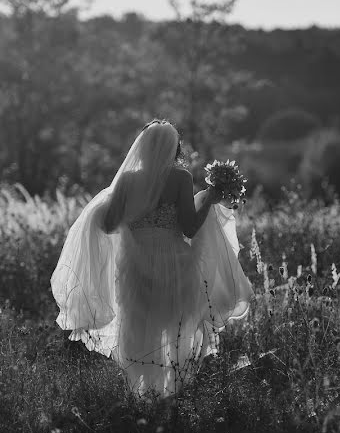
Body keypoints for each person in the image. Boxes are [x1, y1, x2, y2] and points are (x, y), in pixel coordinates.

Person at [51, 120, 253, 396]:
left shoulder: (126, 181)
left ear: (142, 148)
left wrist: (107, 213)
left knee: (138, 327)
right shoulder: (180, 178)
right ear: (175, 149)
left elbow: (109, 225)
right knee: (175, 327)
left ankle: (142, 394)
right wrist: (208, 199)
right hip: (174, 260)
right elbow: (189, 228)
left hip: (135, 263)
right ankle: (172, 394)